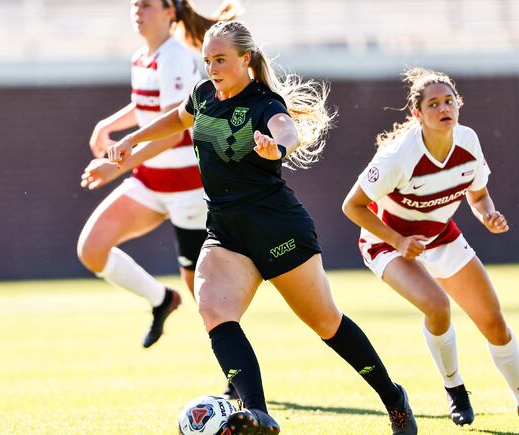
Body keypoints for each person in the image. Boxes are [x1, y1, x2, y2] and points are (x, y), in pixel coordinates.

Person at [107, 20, 417, 435]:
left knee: (326, 323)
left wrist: (278, 148)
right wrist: (133, 139)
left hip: (276, 227)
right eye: (208, 60)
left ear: (245, 59)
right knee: (214, 310)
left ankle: (394, 399)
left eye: (221, 60)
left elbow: (286, 130)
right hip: (225, 230)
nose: (212, 68)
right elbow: (177, 119)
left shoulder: (264, 103)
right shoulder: (203, 94)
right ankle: (257, 414)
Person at [342, 67, 518, 425]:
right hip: (388, 242)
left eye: (449, 101)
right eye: (433, 104)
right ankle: (455, 388)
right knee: (438, 307)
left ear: (459, 104)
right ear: (417, 114)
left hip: (440, 235)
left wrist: (488, 214)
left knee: (495, 324)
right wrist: (398, 240)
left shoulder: (468, 140)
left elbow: (478, 195)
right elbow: (352, 206)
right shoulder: (397, 156)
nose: (443, 108)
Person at [77, 0, 240, 350]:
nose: (138, 10)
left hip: (188, 187)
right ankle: (161, 300)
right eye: (135, 4)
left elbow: (172, 132)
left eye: (148, 5)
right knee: (92, 249)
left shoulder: (175, 57)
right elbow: (145, 106)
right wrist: (106, 125)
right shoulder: (142, 57)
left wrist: (115, 166)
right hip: (150, 181)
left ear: (169, 13)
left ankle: (235, 369)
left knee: (204, 296)